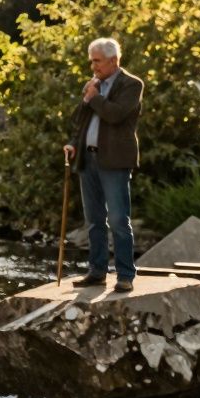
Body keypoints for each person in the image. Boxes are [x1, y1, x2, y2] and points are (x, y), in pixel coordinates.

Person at [63, 37, 144, 294]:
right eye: (91, 61)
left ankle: (125, 275)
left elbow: (116, 115)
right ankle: (97, 272)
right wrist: (73, 143)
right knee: (94, 220)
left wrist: (94, 97)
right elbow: (79, 120)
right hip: (88, 159)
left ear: (113, 60)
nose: (93, 66)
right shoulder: (93, 85)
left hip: (115, 161)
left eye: (97, 61)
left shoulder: (131, 84)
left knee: (119, 219)